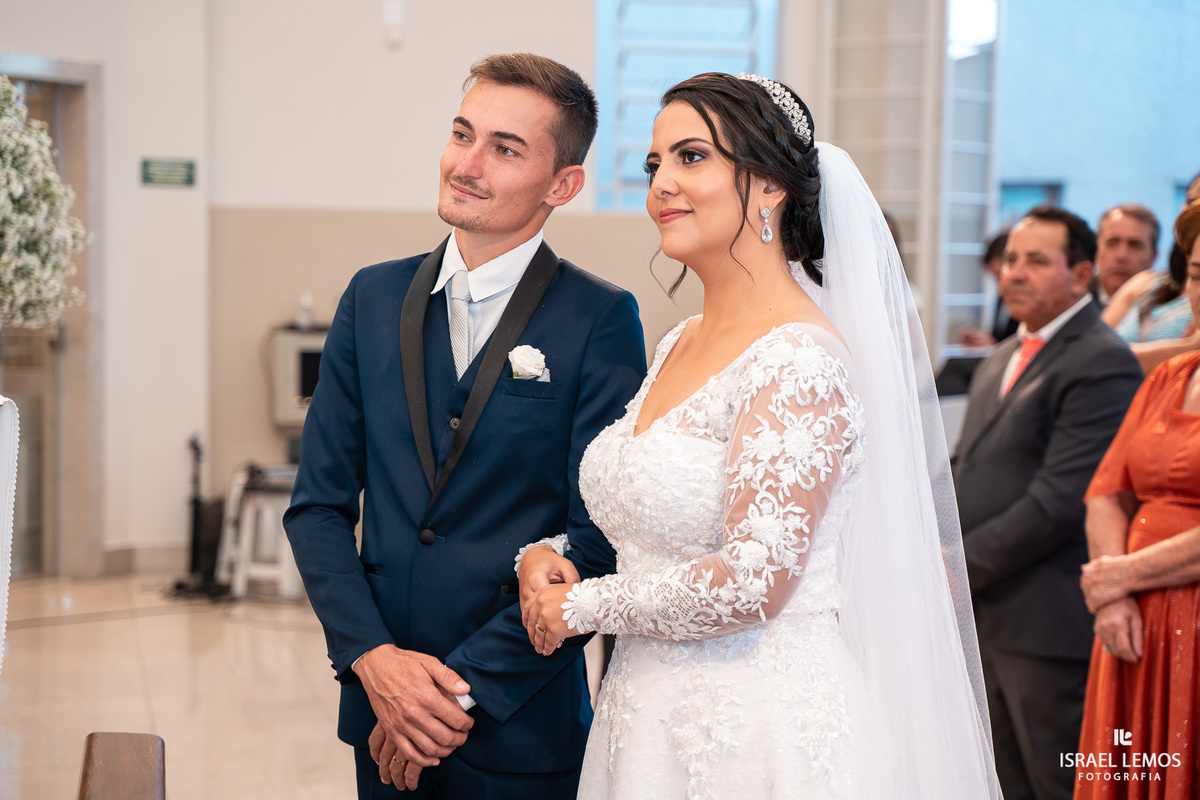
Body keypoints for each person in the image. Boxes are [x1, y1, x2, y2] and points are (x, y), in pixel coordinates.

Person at [518, 72, 1002, 798]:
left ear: (771, 185)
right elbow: (653, 520)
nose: (662, 186)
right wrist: (551, 558)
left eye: (691, 157)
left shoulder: (797, 356)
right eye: (655, 165)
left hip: (754, 732)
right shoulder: (680, 341)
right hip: (642, 719)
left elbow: (755, 579)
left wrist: (582, 607)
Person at [283, 53, 647, 800]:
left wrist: (449, 698)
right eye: (461, 134)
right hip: (379, 713)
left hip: (517, 723)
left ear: (563, 184)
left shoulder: (600, 320)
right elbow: (317, 506)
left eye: (505, 149)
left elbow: (601, 539)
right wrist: (375, 662)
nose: (467, 164)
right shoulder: (372, 297)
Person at [953, 205, 1144, 800]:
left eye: (1037, 261)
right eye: (1011, 259)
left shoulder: (1101, 360)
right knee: (1003, 783)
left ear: (1082, 276)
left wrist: (957, 564)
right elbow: (969, 468)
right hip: (987, 615)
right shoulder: (1003, 357)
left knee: (1058, 785)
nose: (1015, 273)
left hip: (1046, 621)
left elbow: (1062, 499)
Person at [1074, 201, 1200, 799]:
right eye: (1198, 275)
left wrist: (1116, 574)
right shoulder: (1167, 375)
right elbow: (1106, 491)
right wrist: (1114, 599)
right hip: (1133, 625)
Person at [1093, 204, 1159, 306]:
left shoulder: (1164, 312)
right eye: (1112, 243)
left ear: (1153, 256)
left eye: (1135, 246)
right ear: (1097, 249)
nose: (1121, 256)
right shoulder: (1071, 301)